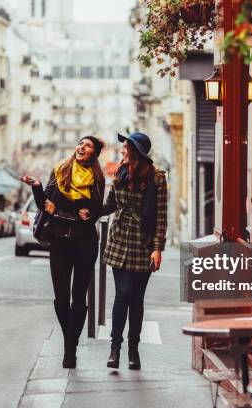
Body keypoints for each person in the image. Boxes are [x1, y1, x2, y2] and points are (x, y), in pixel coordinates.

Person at [21, 136, 105, 368]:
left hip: (85, 243)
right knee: (61, 297)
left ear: (94, 153)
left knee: (79, 297)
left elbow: (91, 215)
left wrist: (61, 211)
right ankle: (71, 339)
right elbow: (44, 205)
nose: (81, 147)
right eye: (80, 143)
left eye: (87, 146)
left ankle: (70, 348)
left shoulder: (97, 179)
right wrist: (37, 187)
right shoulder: (60, 171)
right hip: (59, 241)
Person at [99, 132, 168, 370]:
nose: (122, 150)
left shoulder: (157, 178)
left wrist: (157, 248)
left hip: (143, 243)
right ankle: (115, 347)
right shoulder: (120, 172)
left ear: (136, 151)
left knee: (136, 299)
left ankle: (133, 349)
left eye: (126, 147)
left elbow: (160, 217)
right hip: (119, 240)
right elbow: (110, 205)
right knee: (123, 293)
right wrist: (88, 209)